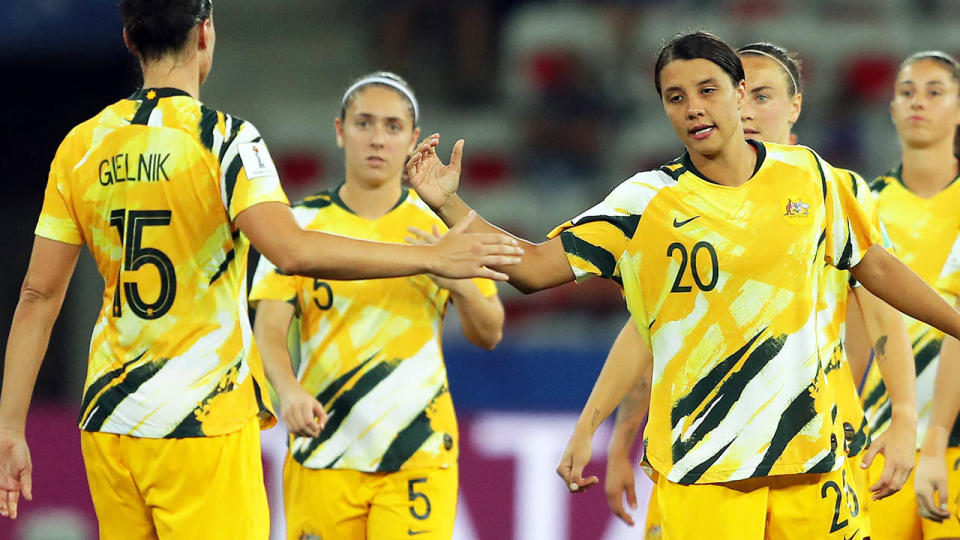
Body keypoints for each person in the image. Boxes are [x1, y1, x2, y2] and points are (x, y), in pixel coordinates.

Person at [405, 31, 960, 539]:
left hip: (813, 466)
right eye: (675, 97)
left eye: (707, 89)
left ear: (739, 94)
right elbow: (531, 268)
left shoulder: (810, 177)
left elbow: (877, 268)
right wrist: (447, 202)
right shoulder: (646, 201)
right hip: (705, 471)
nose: (693, 107)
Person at [0, 2, 521, 537]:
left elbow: (38, 297)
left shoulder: (81, 146)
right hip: (199, 419)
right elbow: (291, 251)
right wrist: (429, 257)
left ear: (130, 40)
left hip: (110, 421)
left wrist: (10, 426)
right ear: (205, 34)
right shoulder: (224, 139)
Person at [600, 42, 918, 536]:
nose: (745, 111)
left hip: (817, 441)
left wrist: (904, 418)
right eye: (737, 95)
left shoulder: (833, 189)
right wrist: (614, 437)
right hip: (708, 451)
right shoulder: (680, 203)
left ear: (795, 106)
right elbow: (651, 331)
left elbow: (883, 313)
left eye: (763, 97)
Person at [249, 71, 504, 540]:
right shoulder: (297, 227)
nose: (377, 138)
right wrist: (287, 391)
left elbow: (490, 332)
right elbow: (268, 328)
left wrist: (458, 280)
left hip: (417, 451)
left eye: (392, 126)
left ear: (412, 140)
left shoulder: (438, 225)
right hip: (324, 450)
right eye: (364, 123)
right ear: (340, 131)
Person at [855, 50, 960, 539]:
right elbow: (850, 327)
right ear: (892, 109)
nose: (917, 101)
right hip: (882, 442)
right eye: (906, 92)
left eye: (935, 91)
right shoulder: (863, 206)